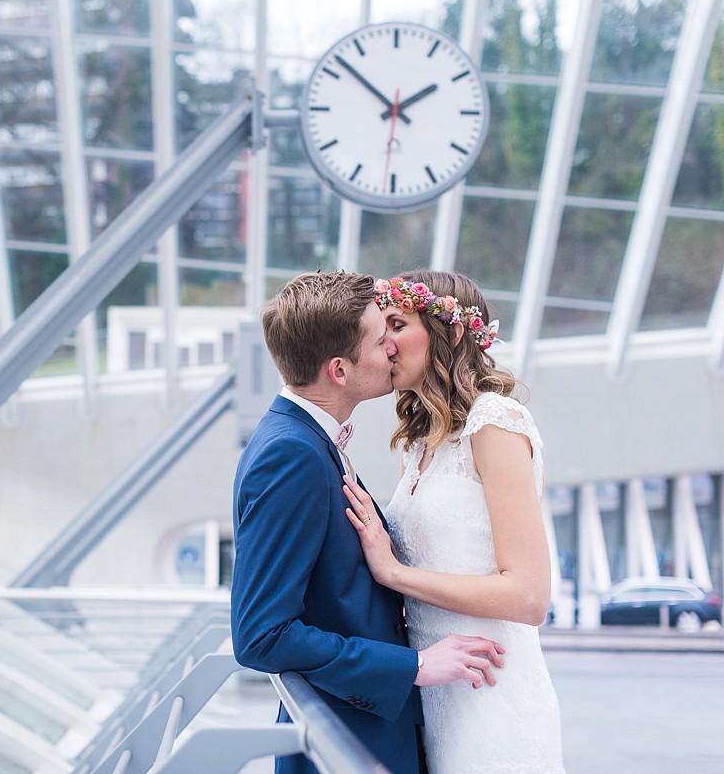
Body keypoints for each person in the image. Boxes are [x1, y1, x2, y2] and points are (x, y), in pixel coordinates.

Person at [231, 271, 508, 774]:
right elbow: (260, 634)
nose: (393, 351)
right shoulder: (292, 455)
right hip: (347, 744)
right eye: (382, 341)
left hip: (373, 727)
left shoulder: (307, 442)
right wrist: (415, 666)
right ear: (339, 369)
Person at [342, 270, 565, 774]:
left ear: (453, 332)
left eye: (397, 324)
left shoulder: (496, 423)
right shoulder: (420, 442)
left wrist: (394, 572)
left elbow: (529, 598)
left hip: (494, 693)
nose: (385, 344)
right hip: (437, 698)